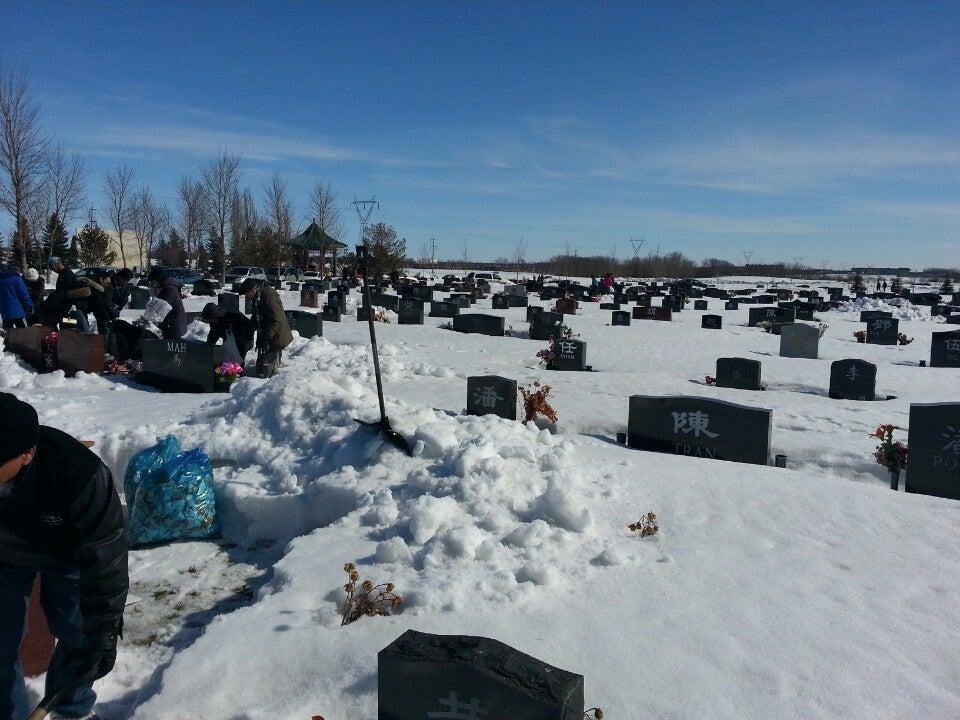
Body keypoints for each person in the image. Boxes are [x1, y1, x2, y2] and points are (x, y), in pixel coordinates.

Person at [0, 393, 127, 720]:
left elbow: (107, 557)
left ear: (27, 453)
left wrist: (104, 628)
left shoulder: (78, 476)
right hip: (4, 555)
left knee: (78, 632)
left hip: (68, 553)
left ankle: (70, 710)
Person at [240, 278, 292, 378]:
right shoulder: (257, 297)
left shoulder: (269, 297)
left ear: (252, 291)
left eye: (246, 294)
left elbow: (277, 320)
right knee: (261, 366)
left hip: (275, 335)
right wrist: (249, 327)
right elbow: (257, 315)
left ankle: (270, 383)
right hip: (266, 333)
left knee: (267, 370)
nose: (246, 297)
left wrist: (266, 338)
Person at [148, 267, 186, 340]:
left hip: (174, 326)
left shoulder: (170, 289)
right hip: (169, 325)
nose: (153, 284)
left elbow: (161, 307)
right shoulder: (165, 288)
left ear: (158, 279)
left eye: (153, 281)